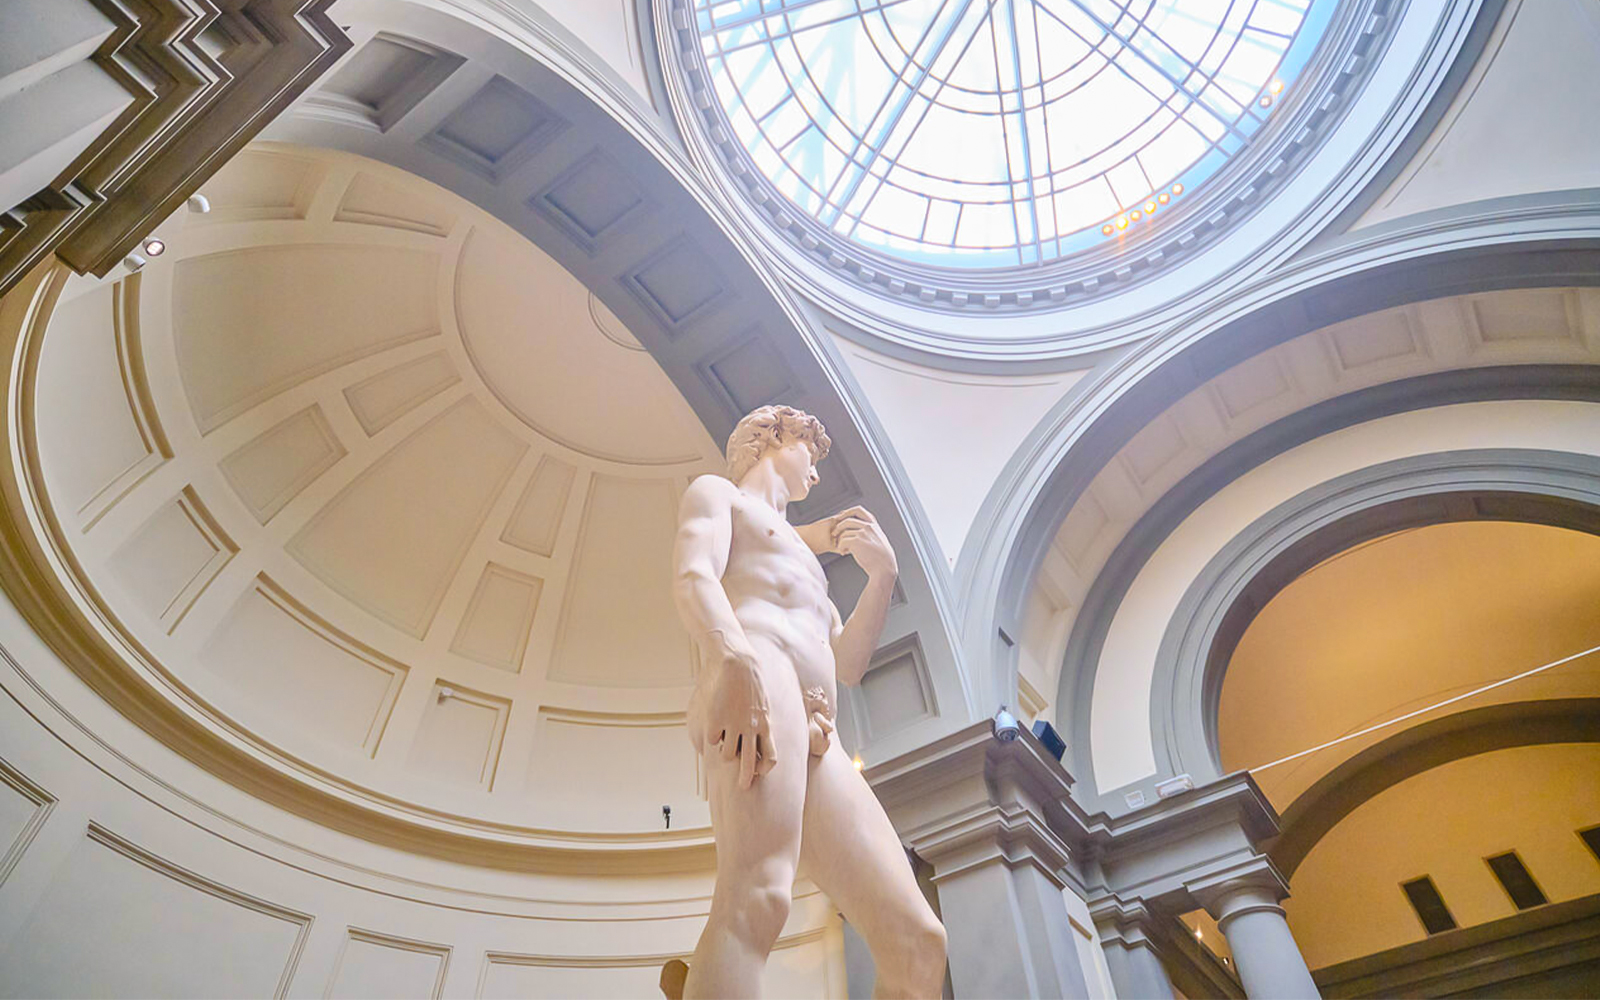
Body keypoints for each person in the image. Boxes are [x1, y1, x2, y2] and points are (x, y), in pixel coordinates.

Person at [665, 405, 946, 999]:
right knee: (758, 897)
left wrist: (882, 577)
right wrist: (734, 661)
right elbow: (693, 576)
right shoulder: (719, 495)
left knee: (920, 941)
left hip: (821, 728)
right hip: (755, 680)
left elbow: (847, 664)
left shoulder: (804, 559)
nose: (817, 474)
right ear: (773, 438)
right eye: (810, 455)